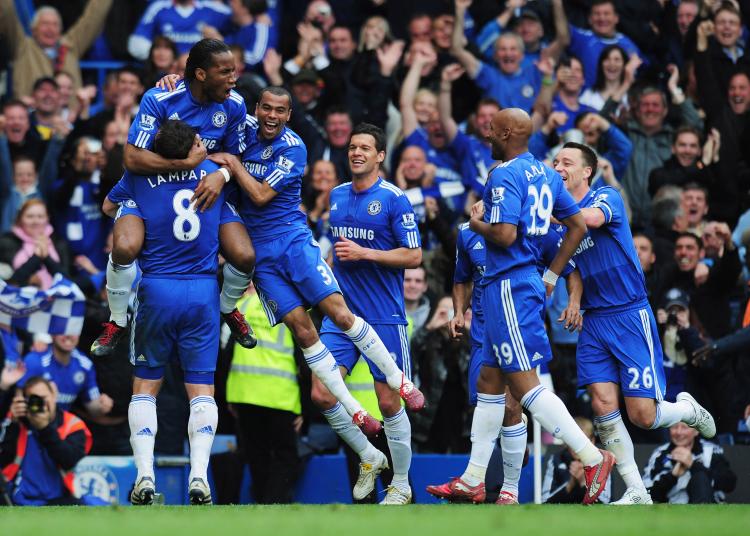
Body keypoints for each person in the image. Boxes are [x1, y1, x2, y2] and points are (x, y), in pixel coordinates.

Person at [208, 87, 424, 440]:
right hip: (260, 254)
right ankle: (357, 417)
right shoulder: (243, 129)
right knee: (302, 330)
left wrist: (231, 165)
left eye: (280, 110)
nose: (272, 116)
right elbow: (217, 104)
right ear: (256, 109)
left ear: (290, 114)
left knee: (340, 313)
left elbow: (261, 194)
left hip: (293, 243)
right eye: (266, 108)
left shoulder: (293, 147)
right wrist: (176, 82)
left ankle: (402, 383)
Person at [553, 141, 717, 505]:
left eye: (567, 162)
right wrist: (576, 301)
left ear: (586, 172)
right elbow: (572, 269)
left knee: (642, 415)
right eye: (554, 161)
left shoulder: (606, 197)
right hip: (595, 321)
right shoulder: (559, 226)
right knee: (601, 405)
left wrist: (546, 209)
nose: (558, 166)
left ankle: (687, 410)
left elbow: (588, 221)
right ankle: (635, 490)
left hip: (629, 314)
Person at [465, 107, 614, 505]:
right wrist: (551, 276)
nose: (488, 135)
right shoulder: (545, 174)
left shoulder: (502, 174)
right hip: (525, 281)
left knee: (525, 387)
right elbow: (577, 226)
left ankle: (592, 456)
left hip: (508, 284)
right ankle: (473, 478)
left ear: (509, 132)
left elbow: (503, 233)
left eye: (493, 130)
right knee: (489, 384)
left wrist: (474, 223)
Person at [103, 119, 242, 505]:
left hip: (157, 289)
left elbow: (108, 205)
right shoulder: (212, 174)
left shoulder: (139, 175)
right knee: (201, 389)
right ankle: (200, 477)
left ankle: (145, 476)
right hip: (203, 292)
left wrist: (135, 209)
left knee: (146, 386)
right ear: (193, 146)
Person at [92, 39, 257, 357]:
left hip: (207, 191)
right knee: (124, 247)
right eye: (225, 72)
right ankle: (116, 320)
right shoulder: (160, 97)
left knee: (245, 256)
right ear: (201, 74)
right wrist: (184, 165)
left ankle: (228, 309)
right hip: (150, 189)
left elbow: (235, 159)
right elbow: (132, 157)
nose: (233, 79)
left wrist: (219, 176)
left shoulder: (234, 105)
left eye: (234, 71)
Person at [426, 217, 583, 504]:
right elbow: (461, 279)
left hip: (519, 325)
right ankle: (500, 456)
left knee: (510, 405)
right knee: (486, 407)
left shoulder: (534, 230)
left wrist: (573, 302)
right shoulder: (467, 232)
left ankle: (506, 489)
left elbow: (570, 268)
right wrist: (458, 312)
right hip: (483, 333)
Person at [309, 123, 422, 505]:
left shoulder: (394, 199)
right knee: (322, 393)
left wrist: (366, 253)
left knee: (389, 403)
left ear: (379, 156)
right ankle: (369, 456)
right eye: (352, 147)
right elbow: (334, 252)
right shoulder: (337, 196)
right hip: (341, 316)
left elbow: (414, 255)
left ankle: (402, 484)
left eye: (365, 148)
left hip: (384, 316)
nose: (356, 153)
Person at [0, 376, 92, 505]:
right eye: (34, 399)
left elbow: (69, 460)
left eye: (43, 398)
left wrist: (44, 428)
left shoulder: (72, 424)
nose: (40, 404)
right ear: (26, 402)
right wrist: (13, 424)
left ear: (54, 395)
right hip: (18, 496)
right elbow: (4, 459)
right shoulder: (18, 421)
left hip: (60, 498)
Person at [0, 0, 113, 102]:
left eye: (55, 24)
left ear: (60, 30)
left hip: (71, 121)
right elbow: (7, 13)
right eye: (45, 24)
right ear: (33, 30)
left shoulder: (70, 46)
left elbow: (95, 16)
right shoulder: (23, 47)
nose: (50, 29)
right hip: (33, 121)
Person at [17, 334, 113, 416]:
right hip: (31, 429)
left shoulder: (85, 365)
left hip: (60, 430)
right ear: (52, 333)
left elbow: (92, 405)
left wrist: (102, 406)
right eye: (63, 330)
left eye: (73, 330)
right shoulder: (34, 360)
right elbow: (18, 399)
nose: (68, 335)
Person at [642, 422, 736, 503]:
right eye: (674, 427)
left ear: (696, 431)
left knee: (700, 477)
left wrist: (693, 465)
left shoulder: (711, 450)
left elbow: (729, 483)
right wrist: (673, 476)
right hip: (670, 513)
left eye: (684, 427)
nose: (679, 432)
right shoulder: (659, 454)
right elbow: (647, 493)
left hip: (709, 508)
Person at [127, 0, 232, 60]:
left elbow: (244, 36)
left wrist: (220, 41)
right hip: (167, 72)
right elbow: (137, 43)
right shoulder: (159, 8)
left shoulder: (216, 10)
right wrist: (163, 56)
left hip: (202, 70)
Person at [542, 416, 611, 504]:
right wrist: (570, 484)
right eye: (573, 442)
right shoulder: (556, 459)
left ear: (592, 441)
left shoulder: (602, 462)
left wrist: (583, 482)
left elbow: (605, 503)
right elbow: (544, 501)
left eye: (583, 442)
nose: (577, 448)